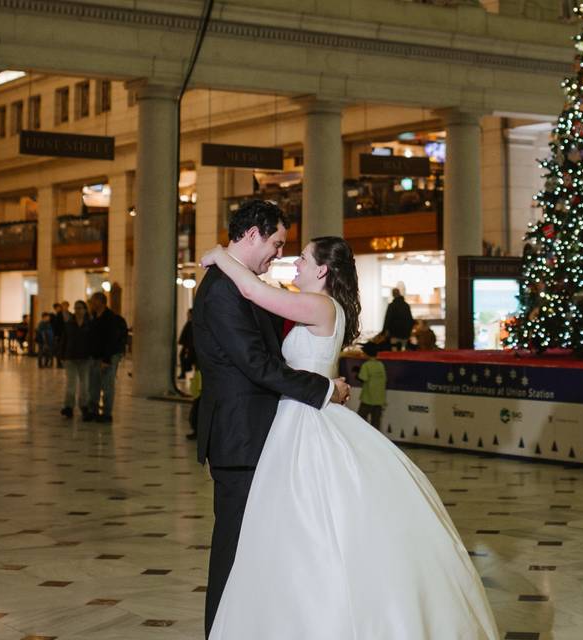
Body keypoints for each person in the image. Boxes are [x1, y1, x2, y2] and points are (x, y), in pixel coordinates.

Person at [202, 233, 498, 639]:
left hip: (305, 421)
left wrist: (221, 255)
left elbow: (252, 289)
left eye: (303, 258)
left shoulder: (318, 305)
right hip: (302, 415)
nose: (296, 264)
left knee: (303, 521)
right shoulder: (323, 306)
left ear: (322, 270)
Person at [191, 200, 350, 638]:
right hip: (240, 437)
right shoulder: (225, 289)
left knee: (264, 547)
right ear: (253, 234)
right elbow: (257, 365)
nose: (280, 253)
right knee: (233, 548)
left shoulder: (242, 284)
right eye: (278, 243)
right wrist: (324, 389)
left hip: (269, 435)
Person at [86, 291, 127, 424]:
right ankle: (93, 411)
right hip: (94, 356)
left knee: (107, 386)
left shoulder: (111, 318)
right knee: (93, 386)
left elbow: (112, 340)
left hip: (107, 357)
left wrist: (106, 359)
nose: (91, 303)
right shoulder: (93, 317)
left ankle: (107, 413)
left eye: (93, 300)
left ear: (100, 302)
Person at [60, 300, 93, 420]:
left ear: (85, 310)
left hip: (85, 357)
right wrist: (62, 356)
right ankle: (68, 407)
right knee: (71, 384)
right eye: (76, 308)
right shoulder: (69, 323)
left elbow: (93, 341)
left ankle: (84, 406)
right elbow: (64, 340)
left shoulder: (90, 324)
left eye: (80, 308)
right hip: (70, 357)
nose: (78, 311)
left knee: (85, 385)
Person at [356, 341, 387, 430]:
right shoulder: (381, 365)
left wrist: (356, 374)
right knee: (376, 421)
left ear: (366, 353)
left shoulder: (366, 365)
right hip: (379, 399)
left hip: (368, 398)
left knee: (360, 418)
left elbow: (363, 378)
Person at [177, 309, 196, 379]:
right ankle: (184, 373)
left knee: (187, 359)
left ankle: (184, 373)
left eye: (188, 313)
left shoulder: (191, 324)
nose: (187, 315)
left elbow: (189, 336)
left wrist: (188, 346)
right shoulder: (190, 323)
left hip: (189, 345)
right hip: (188, 345)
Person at [50, 302, 66, 368]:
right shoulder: (58, 315)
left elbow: (59, 326)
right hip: (59, 335)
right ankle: (59, 363)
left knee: (60, 350)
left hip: (60, 335)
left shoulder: (60, 315)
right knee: (58, 350)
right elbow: (56, 326)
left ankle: (60, 363)